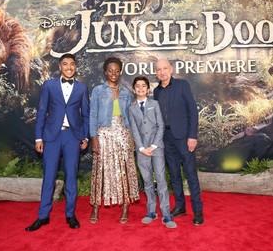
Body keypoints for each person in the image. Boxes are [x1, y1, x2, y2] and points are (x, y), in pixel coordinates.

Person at [25, 53, 90, 231]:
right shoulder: (49, 85)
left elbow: (85, 114)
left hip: (72, 137)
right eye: (65, 64)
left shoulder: (82, 88)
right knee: (49, 178)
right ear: (59, 67)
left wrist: (85, 136)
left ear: (75, 67)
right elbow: (41, 111)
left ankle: (70, 215)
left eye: (72, 64)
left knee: (71, 177)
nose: (69, 67)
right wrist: (39, 137)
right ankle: (43, 216)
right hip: (51, 137)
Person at [153, 59, 204, 226]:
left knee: (190, 175)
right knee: (174, 174)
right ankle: (180, 206)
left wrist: (192, 136)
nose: (162, 72)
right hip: (166, 138)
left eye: (165, 68)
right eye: (159, 69)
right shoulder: (156, 92)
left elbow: (192, 111)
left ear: (171, 69)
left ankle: (197, 211)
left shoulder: (182, 85)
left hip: (183, 137)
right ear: (156, 72)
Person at [89, 56, 139, 224]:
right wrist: (93, 137)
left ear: (120, 72)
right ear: (105, 72)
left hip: (123, 132)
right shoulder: (98, 90)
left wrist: (132, 136)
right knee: (100, 169)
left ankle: (125, 206)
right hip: (103, 132)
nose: (113, 73)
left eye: (117, 70)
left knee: (124, 169)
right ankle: (95, 206)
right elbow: (93, 115)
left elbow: (131, 117)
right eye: (110, 70)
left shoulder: (126, 92)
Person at [129, 76, 177, 229]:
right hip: (142, 150)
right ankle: (151, 211)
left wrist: (154, 145)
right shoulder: (131, 108)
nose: (141, 88)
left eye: (144, 86)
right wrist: (142, 148)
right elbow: (134, 129)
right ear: (133, 89)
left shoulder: (154, 104)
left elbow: (161, 126)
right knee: (148, 181)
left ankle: (166, 213)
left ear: (148, 89)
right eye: (138, 86)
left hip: (157, 148)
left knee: (161, 180)